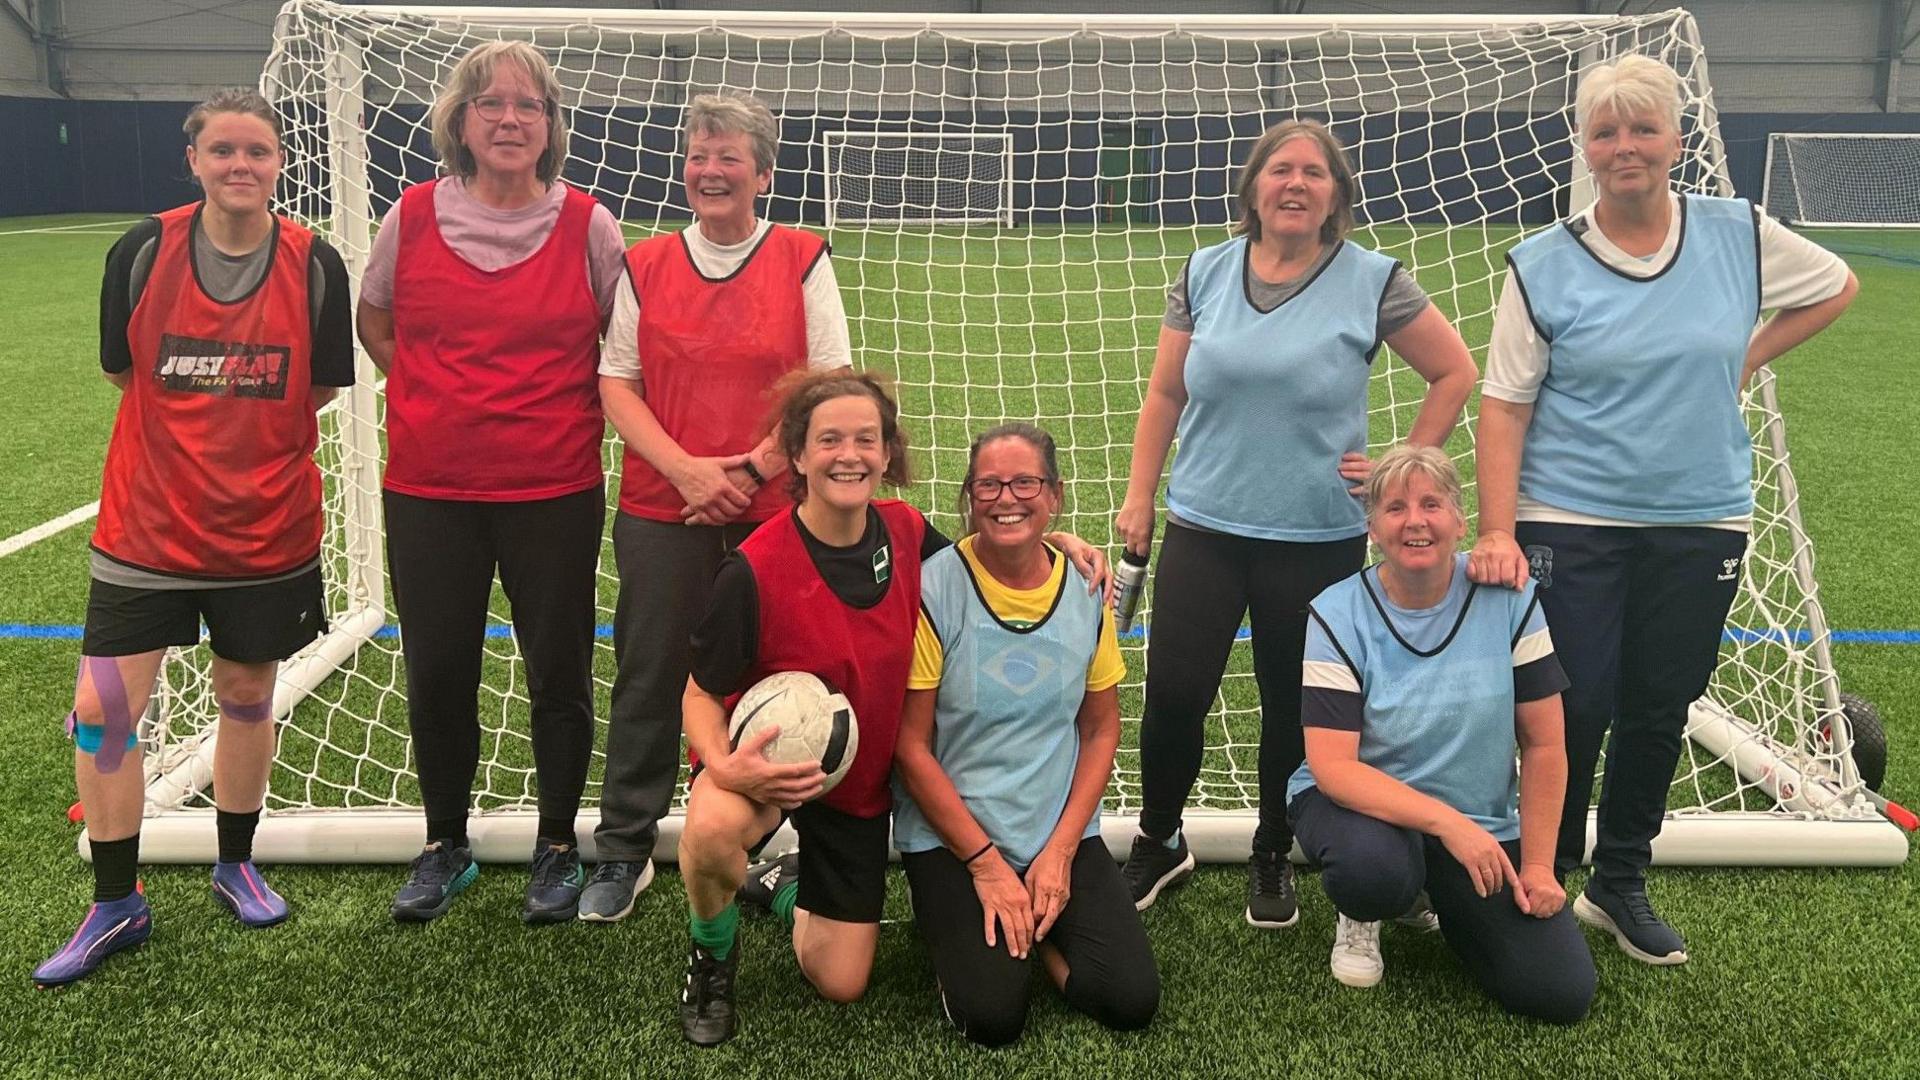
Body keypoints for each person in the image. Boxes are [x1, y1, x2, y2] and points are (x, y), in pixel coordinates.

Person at [1469, 55, 1858, 966]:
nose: (1625, 146)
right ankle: (1550, 873)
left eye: (1643, 128)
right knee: (1577, 703)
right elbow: (1504, 403)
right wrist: (1497, 527)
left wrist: (1749, 356)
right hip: (1570, 519)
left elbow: (1838, 285)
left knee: (1661, 702)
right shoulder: (1544, 263)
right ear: (1586, 148)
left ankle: (1622, 879)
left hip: (1702, 516)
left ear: (1676, 140)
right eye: (1606, 131)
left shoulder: (1738, 231)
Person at [670, 371, 1108, 1046]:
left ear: (886, 452)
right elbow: (699, 693)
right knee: (711, 824)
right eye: (830, 440)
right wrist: (728, 769)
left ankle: (787, 882)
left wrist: (1062, 543)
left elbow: (983, 558)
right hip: (769, 764)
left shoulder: (904, 533)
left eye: (866, 439)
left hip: (860, 786)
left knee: (842, 983)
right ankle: (711, 954)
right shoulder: (753, 569)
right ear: (798, 453)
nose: (850, 454)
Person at [1114, 118, 1477, 927]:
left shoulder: (1374, 278)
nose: (1296, 184)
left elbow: (1456, 371)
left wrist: (1401, 462)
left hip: (1316, 536)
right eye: (1281, 170)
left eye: (1315, 173)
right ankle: (1160, 837)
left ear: (1336, 196)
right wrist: (1140, 496)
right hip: (1205, 525)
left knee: (1292, 702)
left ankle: (1272, 847)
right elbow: (1166, 394)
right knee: (1175, 692)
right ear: (1253, 188)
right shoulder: (1205, 271)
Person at [34, 88, 355, 987]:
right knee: (102, 714)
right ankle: (114, 901)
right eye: (223, 151)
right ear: (195, 160)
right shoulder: (141, 250)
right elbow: (118, 370)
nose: (240, 166)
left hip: (266, 537)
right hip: (142, 534)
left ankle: (235, 860)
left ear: (280, 162)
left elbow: (320, 388)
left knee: (246, 697)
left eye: (257, 151)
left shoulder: (314, 263)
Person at [354, 40, 628, 923]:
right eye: (491, 104)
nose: (510, 119)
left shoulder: (591, 225)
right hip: (431, 492)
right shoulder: (413, 214)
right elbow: (377, 318)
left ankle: (556, 846)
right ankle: (446, 844)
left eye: (530, 106)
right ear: (460, 123)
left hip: (553, 491)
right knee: (439, 671)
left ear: (550, 127)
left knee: (559, 673)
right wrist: (435, 399)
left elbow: (620, 352)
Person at [583, 90, 853, 923]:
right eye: (699, 156)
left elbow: (831, 383)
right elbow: (615, 381)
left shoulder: (803, 257)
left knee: (778, 678)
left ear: (762, 175)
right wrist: (689, 473)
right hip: (665, 508)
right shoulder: (646, 262)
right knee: (651, 670)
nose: (710, 169)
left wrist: (756, 466)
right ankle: (626, 847)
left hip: (778, 510)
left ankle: (780, 848)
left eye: (728, 156)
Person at [1287, 445, 1594, 1023]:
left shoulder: (1511, 600)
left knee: (1558, 991)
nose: (1416, 521)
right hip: (1362, 809)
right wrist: (1449, 825)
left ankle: (1436, 893)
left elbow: (1546, 743)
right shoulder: (1336, 611)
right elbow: (1334, 769)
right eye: (1395, 507)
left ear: (1459, 520)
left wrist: (1537, 867)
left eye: (1432, 503)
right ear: (1373, 528)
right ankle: (1374, 906)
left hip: (1477, 822)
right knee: (1373, 871)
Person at [893, 423, 1158, 1047]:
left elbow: (1099, 730)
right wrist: (985, 865)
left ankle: (1032, 942)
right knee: (993, 1017)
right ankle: (973, 942)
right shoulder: (934, 589)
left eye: (1025, 482)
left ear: (1055, 495)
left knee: (1130, 999)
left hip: (1053, 830)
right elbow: (910, 747)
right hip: (956, 837)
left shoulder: (1087, 588)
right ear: (968, 496)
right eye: (988, 484)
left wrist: (1061, 850)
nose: (1006, 498)